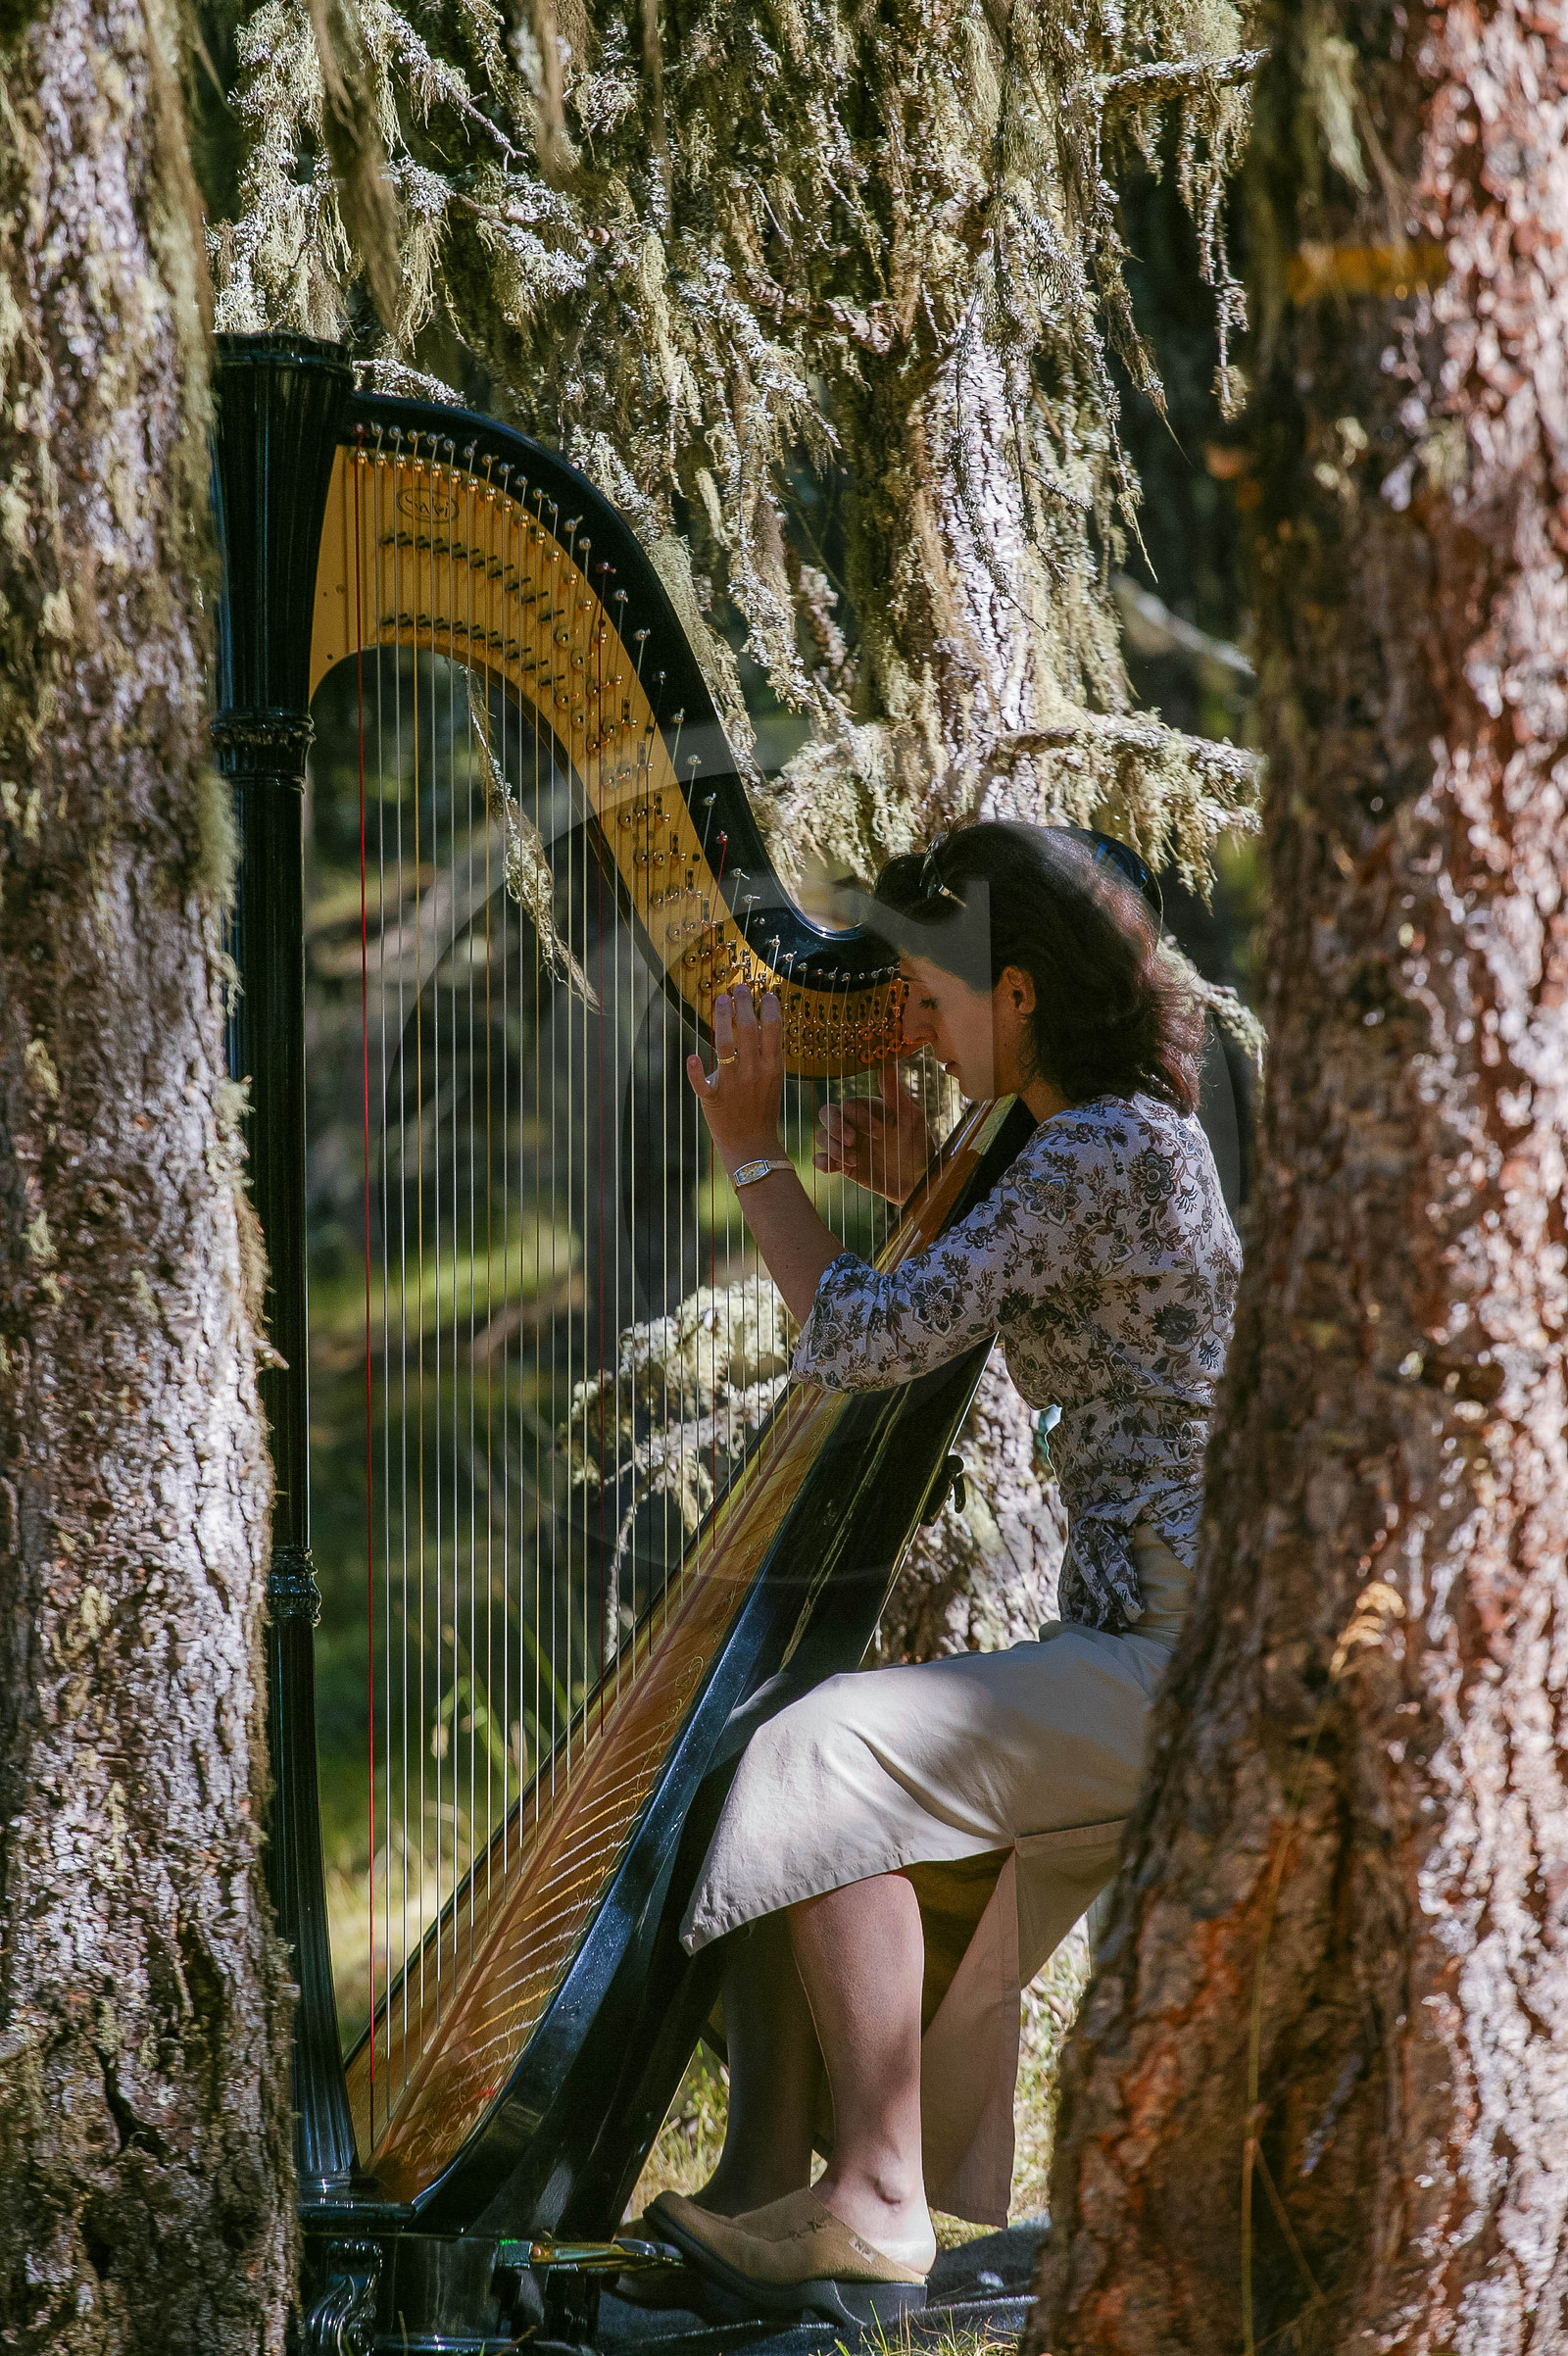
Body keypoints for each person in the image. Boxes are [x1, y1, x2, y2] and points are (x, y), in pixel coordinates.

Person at [645, 821, 1241, 2326]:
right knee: (868, 1812)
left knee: (819, 1747)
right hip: (1154, 1639)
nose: (908, 1021)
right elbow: (995, 1307)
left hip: (1179, 1657)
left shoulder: (1101, 1146)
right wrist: (925, 1181)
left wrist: (752, 1147)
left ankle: (878, 2200)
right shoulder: (1100, 1135)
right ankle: (822, 2199)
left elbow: (859, 1343)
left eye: (928, 988)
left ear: (1020, 992)